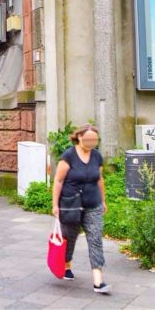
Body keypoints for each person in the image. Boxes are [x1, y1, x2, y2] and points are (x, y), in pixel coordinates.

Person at [51, 125, 110, 294]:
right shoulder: (68, 156)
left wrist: (103, 201)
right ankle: (66, 264)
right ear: (79, 138)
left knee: (95, 239)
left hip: (93, 203)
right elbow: (58, 181)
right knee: (69, 238)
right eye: (88, 139)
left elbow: (100, 180)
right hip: (71, 204)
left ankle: (98, 281)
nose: (92, 142)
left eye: (95, 140)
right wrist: (55, 205)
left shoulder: (97, 156)